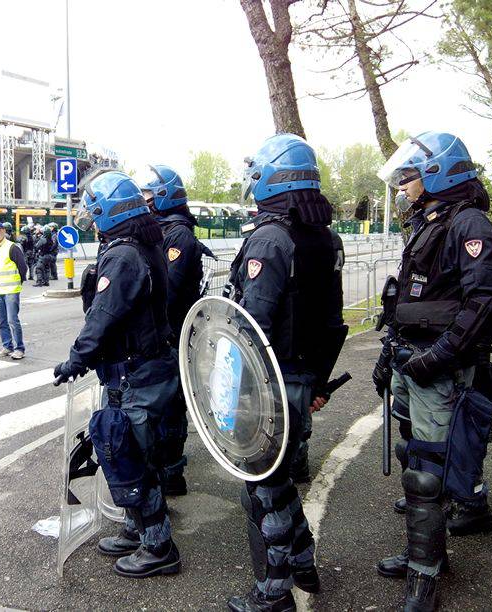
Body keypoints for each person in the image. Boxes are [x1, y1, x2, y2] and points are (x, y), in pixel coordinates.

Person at [373, 132, 492, 612]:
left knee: (429, 473)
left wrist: (438, 357)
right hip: (412, 360)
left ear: (437, 175)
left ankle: (425, 576)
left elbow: (486, 303)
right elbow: (411, 297)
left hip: (440, 368)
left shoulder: (470, 224)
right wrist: (387, 352)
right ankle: (425, 553)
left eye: (409, 178)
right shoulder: (432, 220)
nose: (404, 187)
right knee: (414, 455)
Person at [226, 134, 345, 612]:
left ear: (271, 178)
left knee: (264, 490)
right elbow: (335, 323)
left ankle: (275, 593)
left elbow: (250, 325)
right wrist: (315, 384)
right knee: (277, 481)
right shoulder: (326, 237)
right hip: (301, 381)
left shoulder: (270, 238)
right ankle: (304, 562)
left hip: (267, 384)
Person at [53, 170, 181, 579]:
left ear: (109, 211)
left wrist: (74, 361)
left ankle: (159, 546)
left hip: (136, 375)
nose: (90, 215)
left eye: (94, 208)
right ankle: (135, 529)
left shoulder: (124, 255)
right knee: (137, 452)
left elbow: (103, 318)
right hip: (145, 368)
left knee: (132, 457)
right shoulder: (143, 244)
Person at [140, 164, 204, 496]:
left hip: (175, 333)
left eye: (150, 195)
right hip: (165, 334)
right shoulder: (163, 229)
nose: (146, 202)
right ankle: (166, 469)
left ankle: (172, 473)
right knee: (164, 405)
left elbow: (170, 289)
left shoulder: (177, 233)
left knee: (172, 405)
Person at [0, 221, 27, 359]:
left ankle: (19, 348)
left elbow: (23, 267)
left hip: (11, 290)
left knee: (12, 320)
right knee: (2, 321)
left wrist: (18, 282)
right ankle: (7, 346)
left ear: (4, 231)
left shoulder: (12, 247)